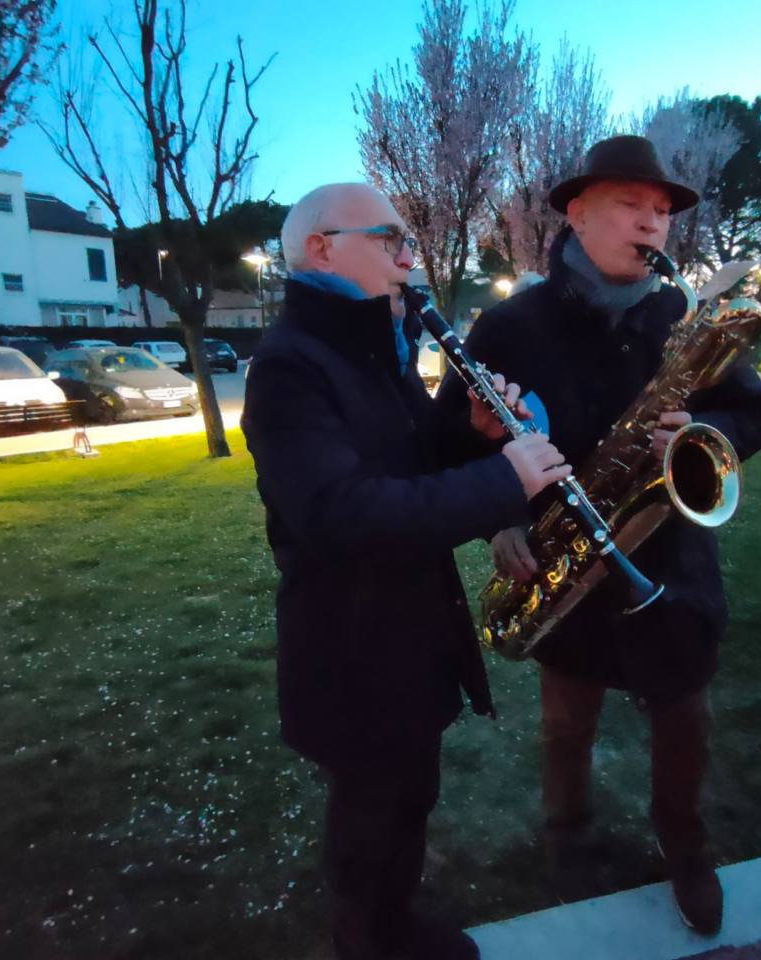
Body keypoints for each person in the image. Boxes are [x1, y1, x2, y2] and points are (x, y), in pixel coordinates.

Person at [437, 136, 761, 936]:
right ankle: (567, 832)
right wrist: (501, 522)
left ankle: (685, 845)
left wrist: (701, 425)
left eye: (662, 211)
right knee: (565, 724)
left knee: (685, 718)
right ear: (578, 211)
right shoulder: (510, 325)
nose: (654, 224)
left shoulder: (687, 320)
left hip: (674, 558)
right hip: (565, 556)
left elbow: (754, 414)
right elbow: (460, 437)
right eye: (632, 204)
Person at [240, 182, 571, 960]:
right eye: (391, 239)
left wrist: (477, 431)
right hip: (350, 644)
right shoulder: (290, 367)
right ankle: (363, 939)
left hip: (413, 629)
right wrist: (507, 480)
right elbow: (343, 513)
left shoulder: (374, 348)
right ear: (322, 248)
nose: (408, 257)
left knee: (411, 794)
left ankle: (396, 926)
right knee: (369, 811)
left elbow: (412, 465)